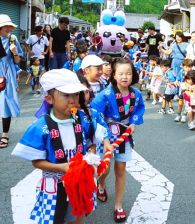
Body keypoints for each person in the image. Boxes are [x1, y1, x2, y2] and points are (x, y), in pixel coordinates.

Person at [11, 69, 96, 223]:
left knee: (77, 214)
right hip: (54, 185)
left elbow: (91, 144)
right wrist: (63, 167)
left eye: (76, 94)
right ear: (49, 99)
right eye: (66, 95)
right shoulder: (40, 127)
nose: (73, 100)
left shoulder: (83, 119)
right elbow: (36, 162)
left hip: (78, 182)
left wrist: (91, 156)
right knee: (54, 217)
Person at [90, 58, 145, 223]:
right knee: (104, 169)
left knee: (121, 170)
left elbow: (140, 107)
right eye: (120, 73)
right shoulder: (106, 94)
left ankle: (118, 205)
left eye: (128, 73)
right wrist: (105, 138)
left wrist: (134, 121)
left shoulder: (136, 93)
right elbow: (94, 113)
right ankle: (101, 184)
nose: (124, 77)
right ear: (113, 75)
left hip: (124, 135)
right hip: (105, 136)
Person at [0, 14, 23, 148]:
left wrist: (14, 52)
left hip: (7, 75)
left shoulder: (13, 40)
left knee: (5, 104)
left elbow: (17, 61)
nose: (9, 28)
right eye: (7, 26)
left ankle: (5, 134)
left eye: (10, 26)